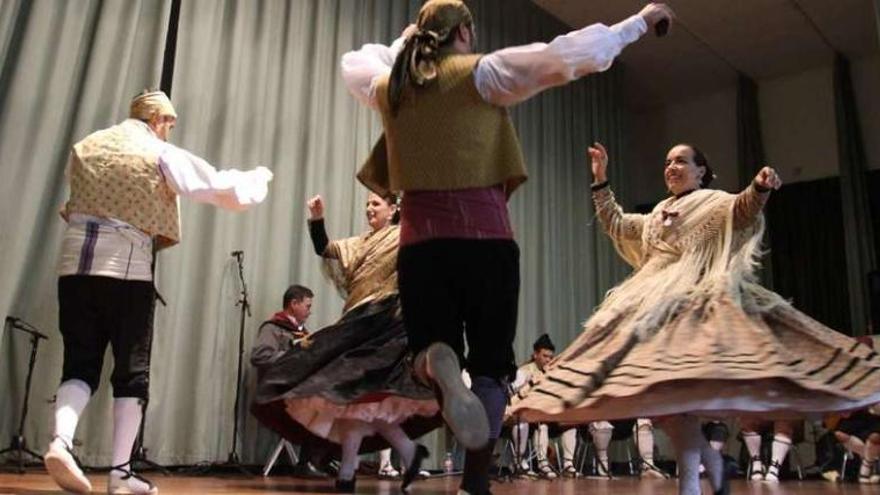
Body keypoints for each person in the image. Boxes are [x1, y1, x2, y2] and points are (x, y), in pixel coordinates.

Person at [340, 2, 674, 493]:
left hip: (420, 244)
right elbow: (568, 55)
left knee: (429, 347)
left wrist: (406, 41)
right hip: (486, 242)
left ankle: (437, 363)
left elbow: (358, 61)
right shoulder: (484, 74)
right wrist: (640, 21)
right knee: (494, 366)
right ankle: (476, 481)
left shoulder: (389, 85)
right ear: (467, 31)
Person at [509, 142, 880, 495]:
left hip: (695, 303)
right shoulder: (656, 215)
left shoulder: (713, 202)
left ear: (701, 171)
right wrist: (600, 177)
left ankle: (693, 480)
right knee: (666, 405)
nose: (672, 166)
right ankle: (707, 461)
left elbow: (742, 209)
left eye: (681, 161)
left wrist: (759, 186)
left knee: (681, 399)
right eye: (668, 161)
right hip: (648, 307)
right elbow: (617, 224)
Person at [43, 90, 273, 495]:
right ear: (159, 120)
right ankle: (120, 472)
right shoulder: (157, 152)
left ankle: (60, 442)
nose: (169, 130)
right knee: (132, 372)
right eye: (170, 123)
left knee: (79, 363)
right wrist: (256, 181)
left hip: (74, 267)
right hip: (126, 270)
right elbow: (214, 186)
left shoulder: (88, 145)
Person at [251, 191, 439, 493]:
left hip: (385, 326)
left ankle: (352, 471)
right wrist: (317, 219)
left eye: (375, 203)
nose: (368, 209)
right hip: (356, 323)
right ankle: (401, 454)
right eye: (366, 203)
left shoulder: (404, 236)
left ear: (393, 210)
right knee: (354, 399)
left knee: (355, 397)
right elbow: (324, 248)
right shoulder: (359, 243)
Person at [250, 285, 329, 477]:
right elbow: (258, 357)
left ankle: (321, 459)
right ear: (293, 304)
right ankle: (307, 461)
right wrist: (292, 353)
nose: (310, 312)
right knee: (319, 404)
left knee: (335, 398)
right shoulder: (273, 328)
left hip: (299, 388)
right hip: (278, 392)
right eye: (307, 306)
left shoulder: (304, 333)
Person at [510, 334, 578, 479]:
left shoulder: (554, 372)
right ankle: (542, 464)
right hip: (531, 418)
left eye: (550, 357)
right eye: (545, 356)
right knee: (543, 424)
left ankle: (568, 464)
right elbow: (513, 397)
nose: (548, 360)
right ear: (535, 355)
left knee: (570, 422)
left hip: (551, 414)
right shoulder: (524, 372)